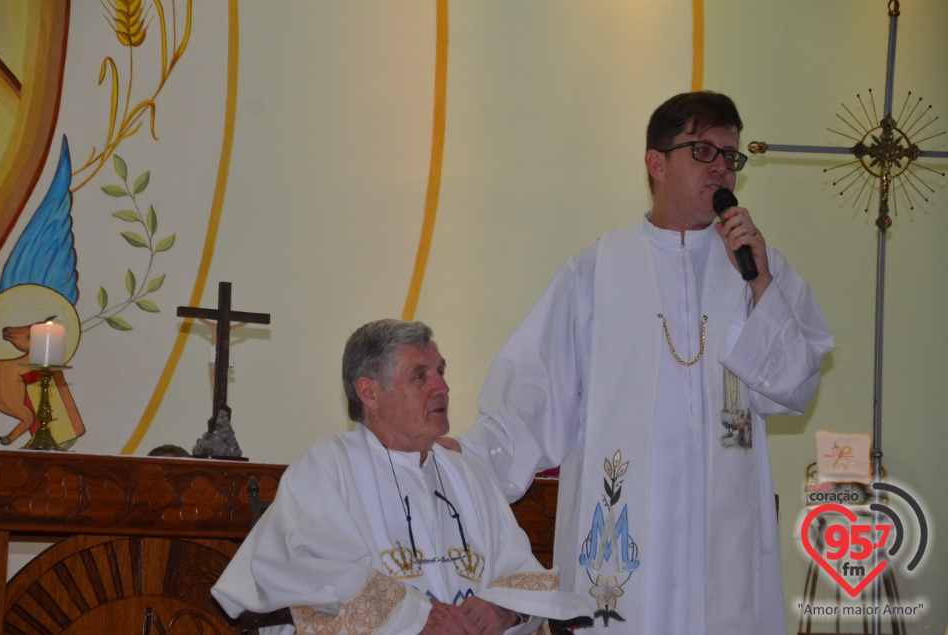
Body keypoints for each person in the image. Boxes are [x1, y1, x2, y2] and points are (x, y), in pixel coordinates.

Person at [447, 91, 834, 634]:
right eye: (704, 151)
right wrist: (458, 460)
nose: (722, 168)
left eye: (730, 156)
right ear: (656, 162)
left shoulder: (759, 269)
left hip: (722, 539)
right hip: (625, 547)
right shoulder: (596, 271)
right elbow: (532, 399)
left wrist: (761, 284)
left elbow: (793, 388)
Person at [211, 319, 593, 635]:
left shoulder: (465, 473)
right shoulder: (328, 466)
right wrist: (414, 616)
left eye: (441, 372)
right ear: (369, 393)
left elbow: (520, 571)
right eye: (420, 376)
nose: (442, 387)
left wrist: (504, 610)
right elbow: (297, 571)